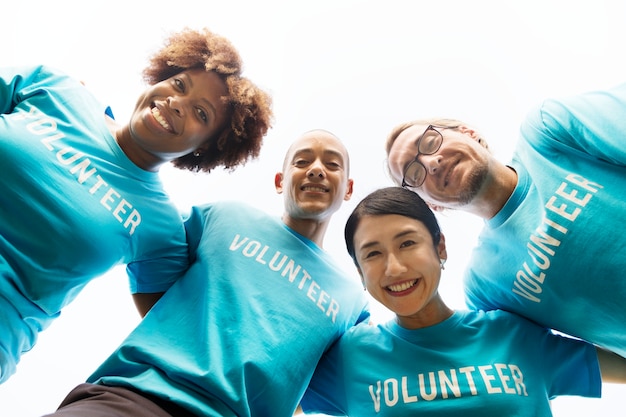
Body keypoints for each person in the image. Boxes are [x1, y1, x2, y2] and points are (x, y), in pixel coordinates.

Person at [0, 27, 273, 384]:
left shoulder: (161, 229)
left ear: (205, 147)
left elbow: (190, 338)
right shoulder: (55, 88)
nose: (177, 103)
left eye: (201, 114)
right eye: (179, 85)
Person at [42, 129, 370, 417]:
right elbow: (151, 246)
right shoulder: (225, 217)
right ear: (279, 181)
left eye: (332, 164)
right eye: (301, 162)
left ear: (349, 188)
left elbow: (321, 390)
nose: (316, 170)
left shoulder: (353, 301)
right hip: (135, 397)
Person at [300, 186, 626, 416]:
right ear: (359, 271)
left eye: (407, 243)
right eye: (372, 254)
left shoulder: (513, 333)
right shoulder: (350, 355)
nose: (394, 268)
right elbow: (260, 396)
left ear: (440, 248)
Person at [383, 82, 626, 358]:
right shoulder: (486, 286)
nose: (431, 163)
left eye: (429, 142)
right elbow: (544, 364)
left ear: (469, 133)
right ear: (431, 204)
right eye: (414, 174)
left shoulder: (548, 132)